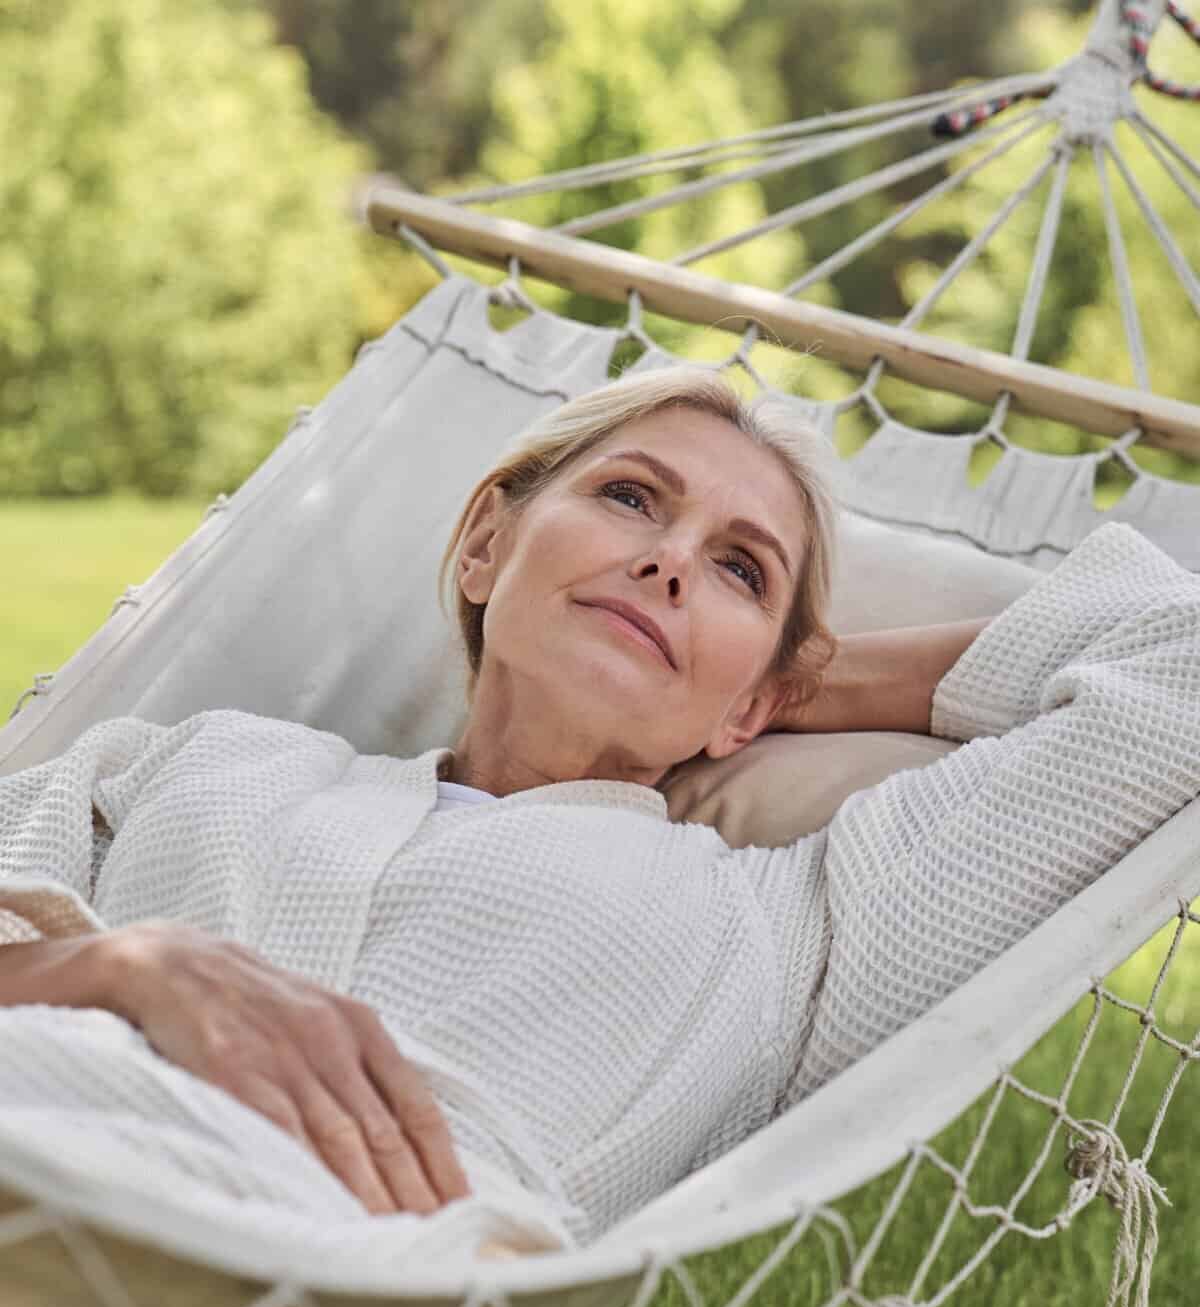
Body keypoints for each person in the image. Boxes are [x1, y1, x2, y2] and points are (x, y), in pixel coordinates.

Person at [1, 367, 1198, 1259]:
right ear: (486, 542)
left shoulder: (785, 934)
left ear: (759, 701)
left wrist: (786, 684)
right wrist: (121, 969)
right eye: (631, 497)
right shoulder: (199, 758)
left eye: (739, 569)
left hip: (303, 1294)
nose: (671, 562)